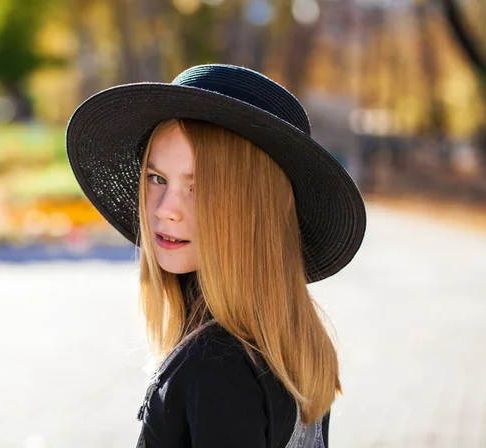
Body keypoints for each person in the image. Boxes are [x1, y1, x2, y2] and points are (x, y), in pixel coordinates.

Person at [66, 64, 367, 448]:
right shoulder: (287, 341)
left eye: (198, 186)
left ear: (254, 206)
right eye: (157, 178)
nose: (165, 209)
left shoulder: (215, 367)